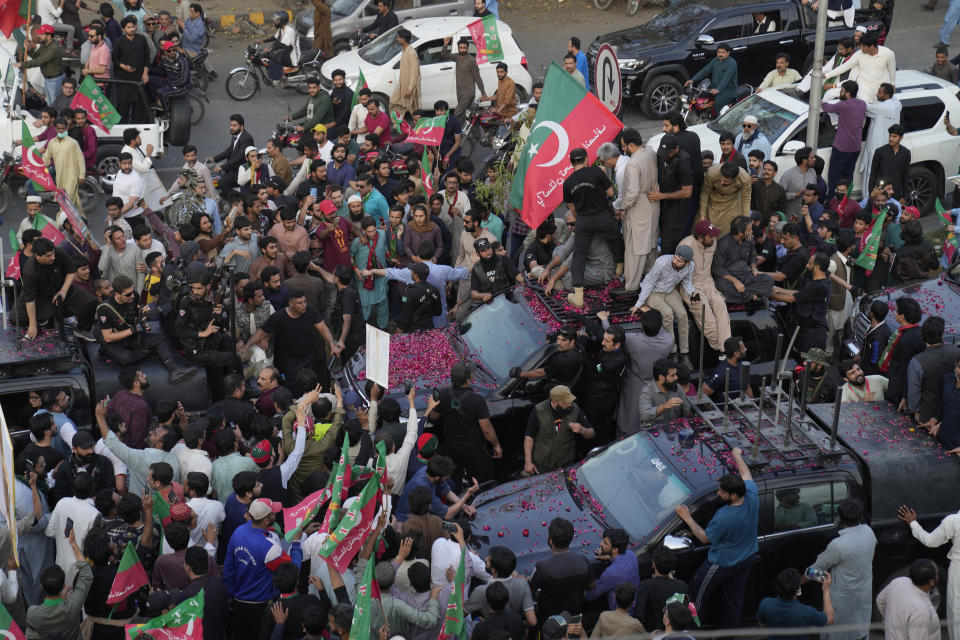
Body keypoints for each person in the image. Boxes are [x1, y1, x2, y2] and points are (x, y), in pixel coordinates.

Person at [674, 446, 757, 628]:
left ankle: (691, 632)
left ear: (733, 495)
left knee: (696, 595)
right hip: (747, 556)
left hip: (723, 562)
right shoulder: (751, 494)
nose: (718, 494)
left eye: (722, 492)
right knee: (733, 602)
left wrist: (687, 518)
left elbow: (705, 538)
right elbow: (746, 475)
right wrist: (737, 456)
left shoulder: (725, 516)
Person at [224, 498, 303, 640]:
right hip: (260, 607)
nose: (275, 515)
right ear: (266, 520)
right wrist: (296, 543)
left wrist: (230, 596)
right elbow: (292, 570)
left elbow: (229, 569)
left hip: (238, 603)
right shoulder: (270, 549)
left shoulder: (238, 532)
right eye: (273, 513)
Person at [95, 276, 196, 383]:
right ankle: (144, 352)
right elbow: (108, 337)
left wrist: (142, 323)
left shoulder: (134, 298)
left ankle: (175, 370)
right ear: (117, 294)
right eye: (128, 294)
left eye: (133, 291)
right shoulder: (105, 308)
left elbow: (136, 316)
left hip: (131, 336)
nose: (132, 296)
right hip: (115, 342)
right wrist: (134, 330)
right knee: (126, 358)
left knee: (160, 339)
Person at [803, 497, 876, 640]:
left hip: (841, 599)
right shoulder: (869, 532)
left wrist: (799, 581)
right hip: (863, 594)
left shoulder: (838, 545)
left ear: (840, 518)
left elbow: (814, 571)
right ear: (860, 516)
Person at [428, 362, 502, 484]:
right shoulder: (478, 400)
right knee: (481, 479)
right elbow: (486, 430)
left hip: (451, 447)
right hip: (473, 449)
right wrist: (496, 445)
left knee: (455, 479)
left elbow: (433, 416)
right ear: (469, 379)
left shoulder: (444, 394)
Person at [563, 148, 618, 308]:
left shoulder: (568, 183)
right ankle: (620, 270)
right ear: (587, 159)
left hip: (584, 220)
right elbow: (610, 192)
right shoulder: (596, 173)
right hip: (602, 216)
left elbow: (572, 207)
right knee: (615, 237)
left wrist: (580, 215)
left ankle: (578, 296)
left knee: (579, 255)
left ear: (571, 163)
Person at [18, 238, 98, 340]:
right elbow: (30, 300)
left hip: (63, 288)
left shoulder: (58, 252)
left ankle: (82, 330)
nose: (53, 258)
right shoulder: (30, 270)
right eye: (48, 256)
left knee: (91, 301)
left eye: (53, 253)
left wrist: (63, 290)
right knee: (25, 318)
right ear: (37, 256)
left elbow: (71, 271)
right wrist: (32, 324)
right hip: (41, 297)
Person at [629, 249, 696, 366]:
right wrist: (638, 304)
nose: (674, 261)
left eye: (679, 261)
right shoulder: (662, 262)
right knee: (667, 314)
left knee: (682, 314)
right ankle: (672, 351)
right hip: (653, 292)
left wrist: (692, 293)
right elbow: (649, 283)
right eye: (674, 257)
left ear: (687, 263)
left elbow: (687, 282)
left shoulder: (691, 266)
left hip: (670, 291)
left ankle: (684, 353)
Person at [613, 310, 673, 433]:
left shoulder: (632, 340)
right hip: (655, 386)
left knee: (627, 420)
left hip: (633, 385)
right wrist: (651, 318)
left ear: (642, 326)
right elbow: (660, 329)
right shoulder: (668, 340)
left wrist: (604, 319)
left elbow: (612, 336)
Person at [25, 529, 92, 640]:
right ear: (63, 585)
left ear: (41, 585)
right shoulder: (73, 606)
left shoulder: (32, 613)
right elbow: (86, 573)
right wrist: (73, 544)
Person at [617, 129, 659, 289]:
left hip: (639, 207)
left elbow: (632, 192)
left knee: (636, 247)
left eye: (623, 146)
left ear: (631, 145)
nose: (622, 150)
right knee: (651, 243)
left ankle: (631, 285)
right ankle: (651, 280)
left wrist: (623, 207)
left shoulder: (633, 163)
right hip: (653, 203)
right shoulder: (650, 152)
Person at [529, 518, 593, 620]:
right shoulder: (584, 561)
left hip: (548, 620)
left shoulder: (542, 567)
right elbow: (591, 586)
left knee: (539, 636)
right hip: (573, 619)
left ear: (550, 541)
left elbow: (530, 590)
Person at [522, 385, 594, 475]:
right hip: (541, 465)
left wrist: (582, 430)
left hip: (565, 464)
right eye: (565, 402)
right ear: (555, 402)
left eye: (570, 401)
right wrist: (528, 462)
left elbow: (591, 433)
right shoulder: (539, 410)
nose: (570, 404)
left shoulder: (575, 409)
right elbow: (529, 436)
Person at [771, 252, 832, 352]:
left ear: (817, 267)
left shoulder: (820, 287)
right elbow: (801, 293)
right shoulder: (815, 282)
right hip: (805, 331)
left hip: (813, 335)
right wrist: (778, 289)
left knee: (810, 365)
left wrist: (771, 295)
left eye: (810, 263)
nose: (807, 266)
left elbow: (792, 298)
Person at [906, 316, 960, 427]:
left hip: (926, 415)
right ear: (941, 335)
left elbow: (913, 393)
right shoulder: (955, 351)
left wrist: (915, 412)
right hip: (948, 414)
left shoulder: (917, 361)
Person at [712, 216, 773, 305]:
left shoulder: (750, 239)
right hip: (729, 278)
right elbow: (717, 268)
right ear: (740, 233)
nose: (752, 232)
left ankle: (743, 295)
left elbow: (752, 256)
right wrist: (735, 281)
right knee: (722, 285)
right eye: (749, 230)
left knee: (768, 280)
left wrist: (754, 268)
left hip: (745, 275)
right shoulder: (723, 244)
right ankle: (751, 297)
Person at [756, 567, 834, 637]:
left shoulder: (765, 604)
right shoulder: (807, 612)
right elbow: (829, 620)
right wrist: (826, 590)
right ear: (797, 591)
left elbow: (762, 625)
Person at [875, 559, 941, 640]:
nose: (939, 576)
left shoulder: (899, 581)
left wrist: (892, 621)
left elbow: (880, 600)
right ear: (931, 582)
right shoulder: (921, 611)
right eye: (937, 574)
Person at [823, 81, 867, 198]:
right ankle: (846, 201)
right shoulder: (862, 104)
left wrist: (821, 100)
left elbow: (826, 106)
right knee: (848, 176)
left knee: (835, 178)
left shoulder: (843, 105)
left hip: (842, 147)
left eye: (842, 91)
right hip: (856, 147)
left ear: (848, 94)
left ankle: (833, 201)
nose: (840, 94)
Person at [824, 32, 895, 105]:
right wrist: (827, 75)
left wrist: (893, 85)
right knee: (863, 107)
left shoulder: (888, 54)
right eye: (860, 45)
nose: (861, 48)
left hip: (879, 89)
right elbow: (845, 66)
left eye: (863, 46)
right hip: (863, 89)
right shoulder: (859, 54)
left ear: (872, 46)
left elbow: (892, 70)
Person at [635, 548, 692, 633]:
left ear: (653, 564)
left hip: (654, 633)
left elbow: (639, 615)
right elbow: (691, 611)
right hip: (677, 632)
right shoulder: (682, 585)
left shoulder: (645, 586)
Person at [883, 296, 924, 406]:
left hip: (899, 393)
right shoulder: (920, 332)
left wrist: (903, 396)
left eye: (896, 311)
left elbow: (904, 370)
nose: (894, 313)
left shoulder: (905, 340)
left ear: (902, 317)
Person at [41, 118, 85, 209]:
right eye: (59, 128)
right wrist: (38, 169)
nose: (61, 131)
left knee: (67, 202)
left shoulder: (73, 143)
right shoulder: (52, 143)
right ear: (55, 129)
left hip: (72, 177)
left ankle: (62, 222)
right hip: (59, 177)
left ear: (67, 128)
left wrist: (81, 176)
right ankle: (80, 220)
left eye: (63, 129)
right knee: (71, 201)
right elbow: (46, 159)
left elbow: (80, 159)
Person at [699, 162, 751, 236]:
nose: (722, 182)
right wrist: (702, 214)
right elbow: (705, 192)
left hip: (732, 202)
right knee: (701, 226)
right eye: (721, 179)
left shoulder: (745, 179)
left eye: (726, 181)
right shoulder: (712, 172)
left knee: (728, 230)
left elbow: (746, 200)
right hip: (713, 199)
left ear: (735, 179)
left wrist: (746, 223)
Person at [207, 114, 255, 193]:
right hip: (233, 168)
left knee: (221, 183)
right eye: (231, 125)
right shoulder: (235, 135)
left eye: (234, 125)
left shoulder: (247, 138)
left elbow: (239, 157)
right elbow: (229, 150)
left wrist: (222, 167)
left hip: (240, 170)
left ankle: (235, 199)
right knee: (215, 179)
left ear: (241, 126)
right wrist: (214, 159)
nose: (231, 128)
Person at [442, 36, 486, 120]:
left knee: (457, 113)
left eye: (464, 48)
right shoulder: (457, 57)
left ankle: (455, 132)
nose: (462, 50)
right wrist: (445, 44)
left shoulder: (472, 61)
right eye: (461, 48)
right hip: (459, 92)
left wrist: (483, 92)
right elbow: (444, 55)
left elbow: (477, 78)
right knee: (466, 115)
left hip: (468, 93)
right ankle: (474, 132)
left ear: (467, 48)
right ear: (458, 48)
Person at [685, 43, 738, 110]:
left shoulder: (732, 63)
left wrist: (718, 89)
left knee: (718, 102)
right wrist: (692, 80)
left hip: (727, 90)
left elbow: (726, 79)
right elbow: (705, 70)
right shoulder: (716, 60)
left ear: (728, 52)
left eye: (723, 52)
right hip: (714, 89)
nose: (720, 54)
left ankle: (719, 119)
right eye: (719, 52)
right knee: (700, 100)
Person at [638, 358, 690, 426]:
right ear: (661, 377)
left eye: (676, 374)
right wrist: (664, 406)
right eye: (672, 375)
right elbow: (645, 416)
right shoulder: (647, 392)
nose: (676, 377)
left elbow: (687, 411)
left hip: (675, 429)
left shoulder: (677, 387)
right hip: (654, 432)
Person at [870, 124, 911, 206]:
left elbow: (905, 175)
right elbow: (873, 173)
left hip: (896, 192)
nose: (891, 139)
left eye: (894, 136)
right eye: (890, 136)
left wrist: (904, 196)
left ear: (901, 137)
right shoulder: (880, 151)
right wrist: (871, 192)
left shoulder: (906, 153)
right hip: (881, 192)